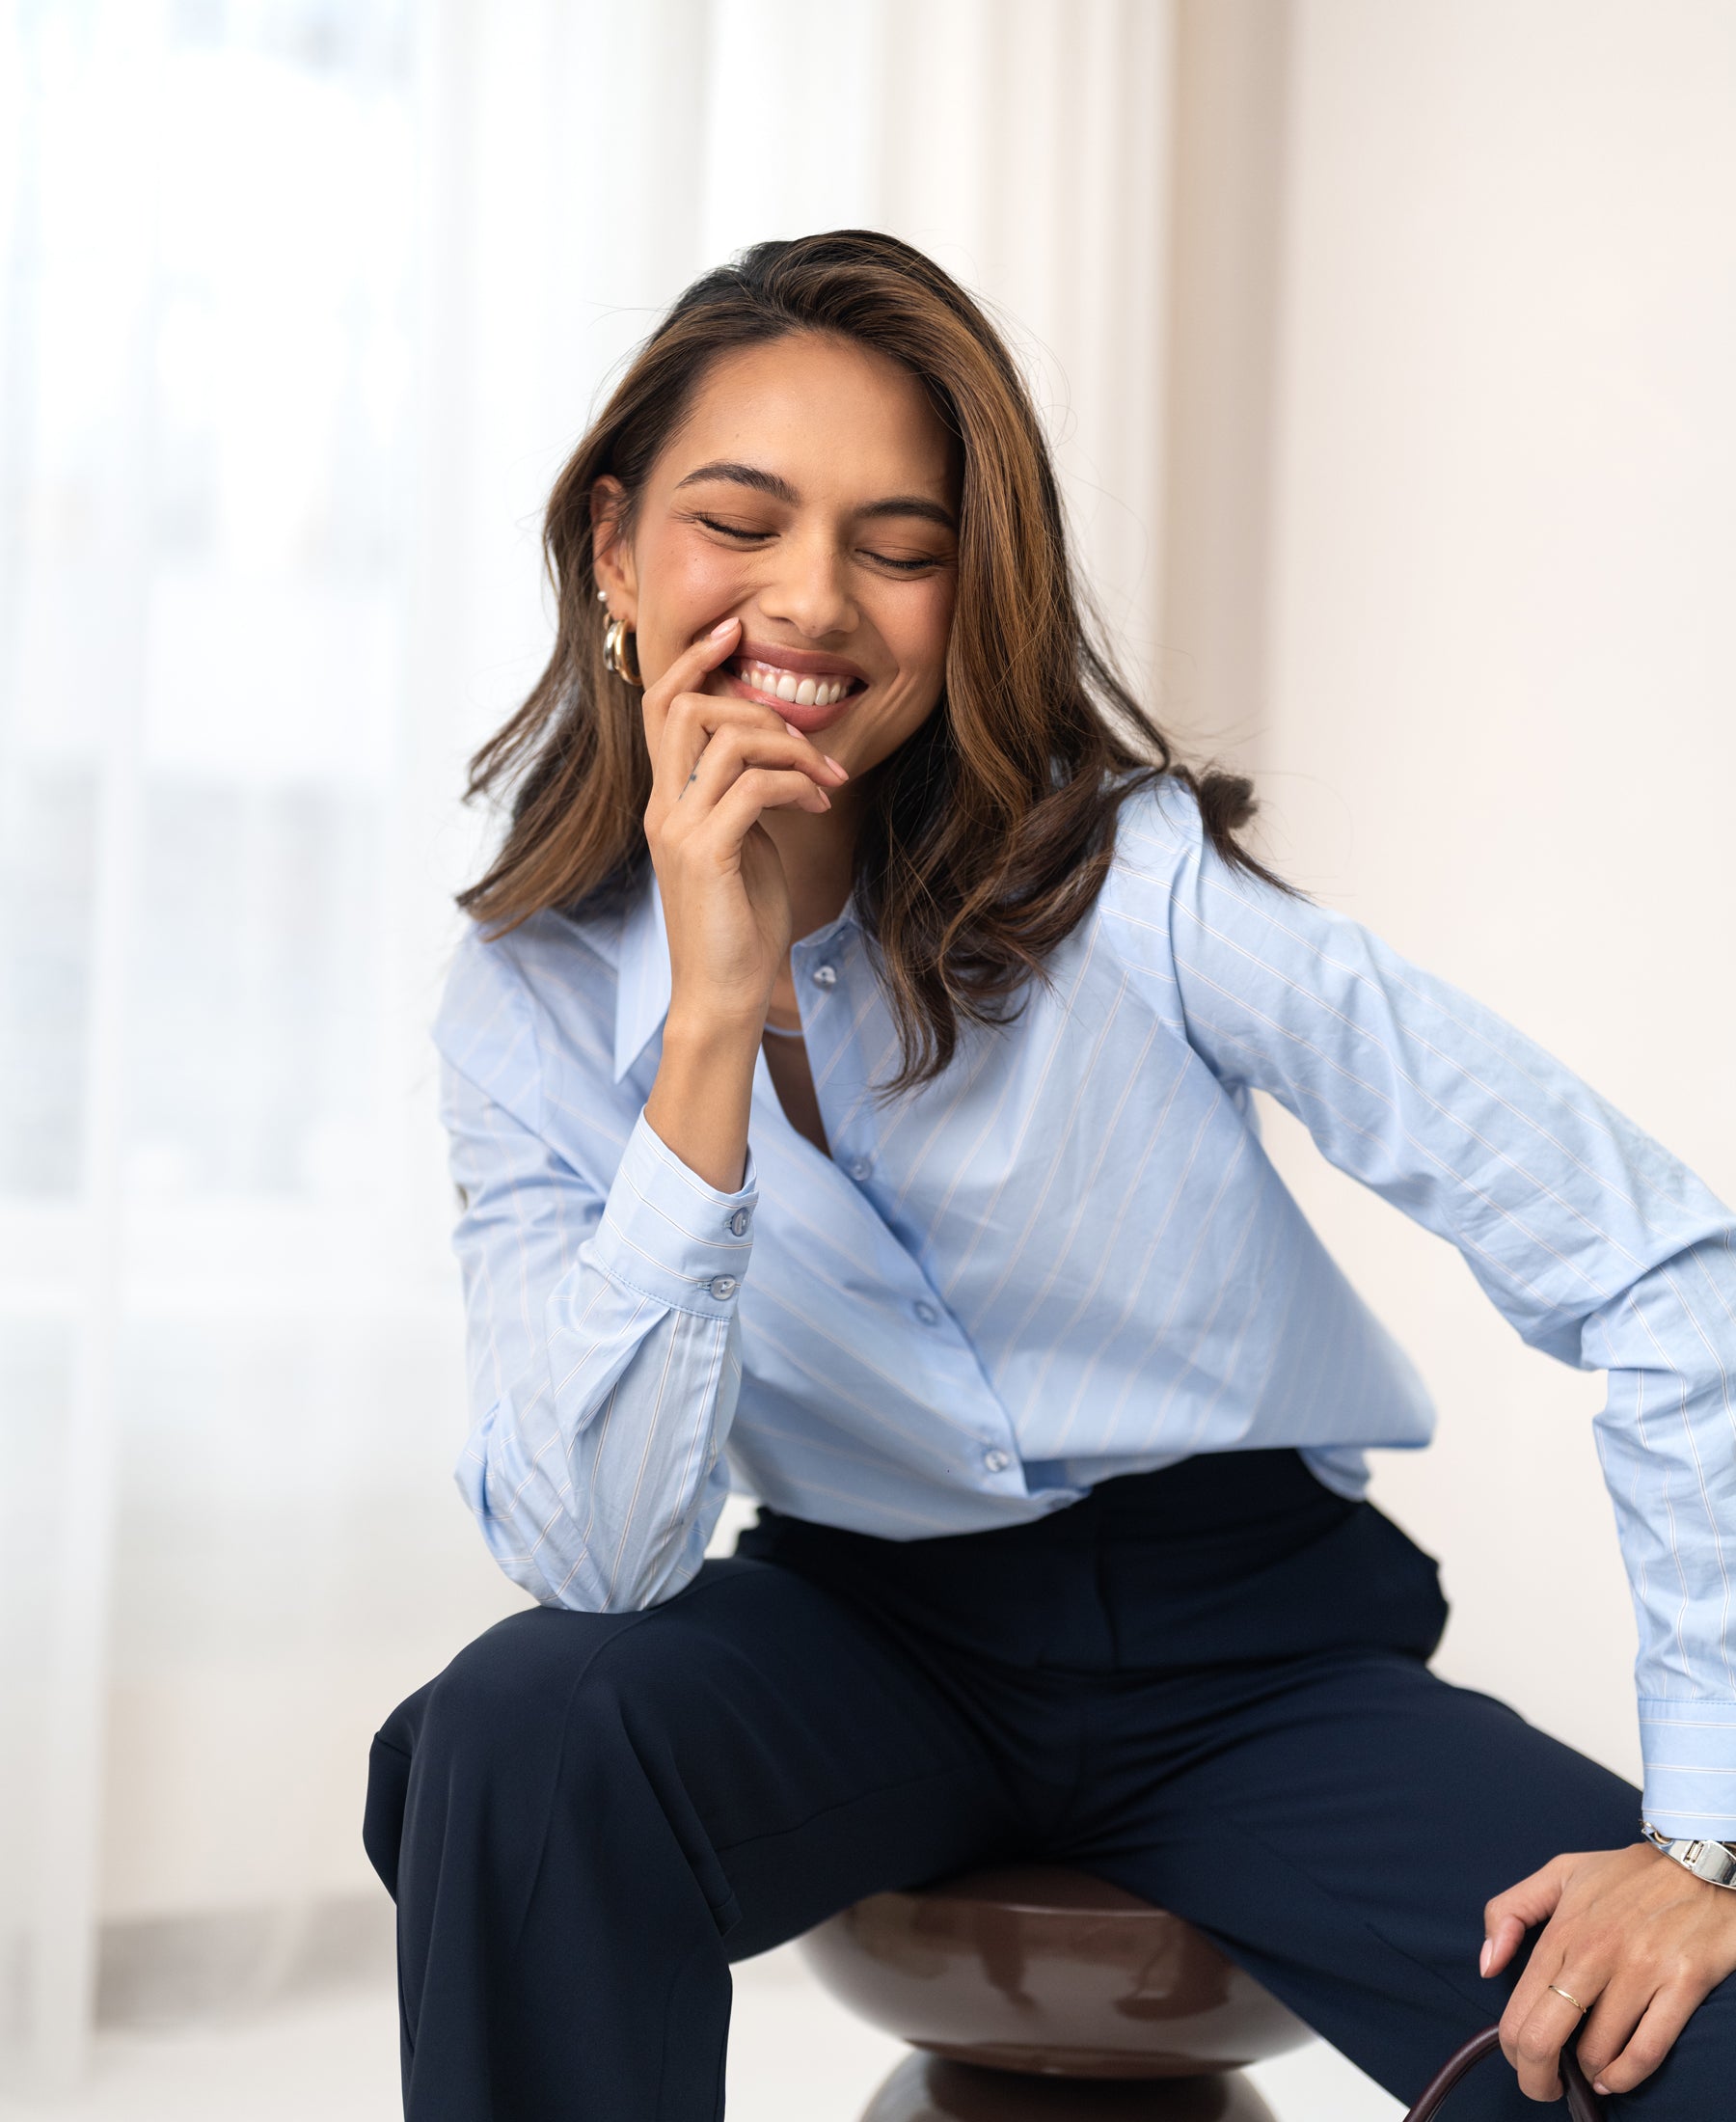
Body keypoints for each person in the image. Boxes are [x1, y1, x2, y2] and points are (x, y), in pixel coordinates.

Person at [363, 231, 1735, 2119]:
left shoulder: (1137, 886)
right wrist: (710, 1017)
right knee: (511, 1739)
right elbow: (602, 1555)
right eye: (738, 520)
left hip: (1247, 1644)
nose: (815, 600)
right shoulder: (525, 1002)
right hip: (862, 1630)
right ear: (612, 544)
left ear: (966, 588)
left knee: (1689, 2035)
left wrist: (1713, 1830)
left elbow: (1669, 1266)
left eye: (899, 545)